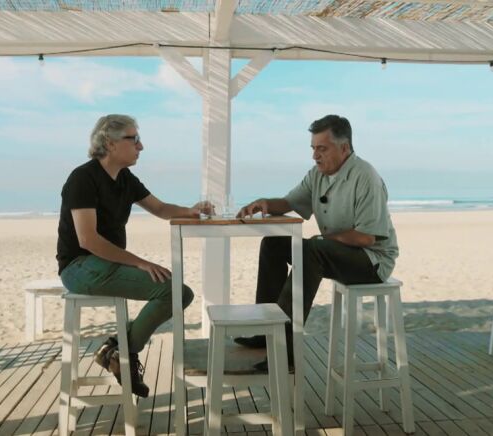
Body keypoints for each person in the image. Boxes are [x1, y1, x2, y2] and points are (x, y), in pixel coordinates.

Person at [57, 114, 207, 397]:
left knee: (179, 292)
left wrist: (192, 211)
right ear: (110, 143)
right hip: (79, 267)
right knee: (174, 292)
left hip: (107, 264)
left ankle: (118, 350)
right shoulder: (83, 178)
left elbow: (160, 209)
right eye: (134, 139)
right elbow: (88, 239)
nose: (141, 146)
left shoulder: (125, 178)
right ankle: (121, 352)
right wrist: (140, 262)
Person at [234, 114, 399, 370]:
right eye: (313, 148)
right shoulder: (317, 175)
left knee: (311, 251)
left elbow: (366, 237)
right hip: (333, 252)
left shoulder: (366, 177)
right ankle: (266, 332)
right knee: (273, 244)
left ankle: (283, 351)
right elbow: (288, 202)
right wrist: (264, 203)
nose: (315, 156)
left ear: (344, 148)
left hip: (371, 261)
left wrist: (322, 240)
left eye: (322, 149)